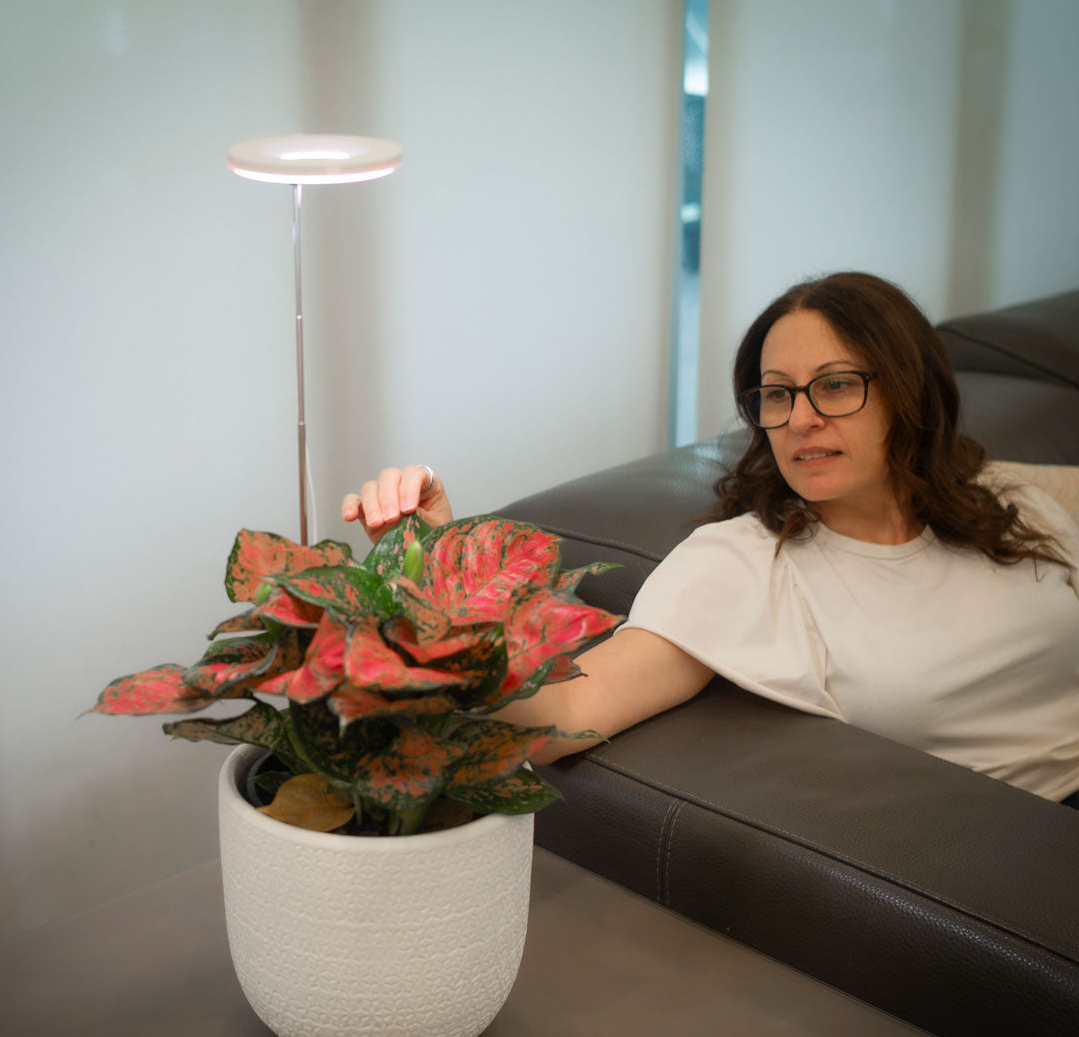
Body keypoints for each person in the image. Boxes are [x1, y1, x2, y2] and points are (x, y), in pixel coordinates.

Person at [342, 272, 1079, 805]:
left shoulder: (1005, 502)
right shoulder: (743, 564)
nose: (800, 419)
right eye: (778, 394)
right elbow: (567, 719)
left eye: (835, 385)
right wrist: (444, 566)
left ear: (909, 393)